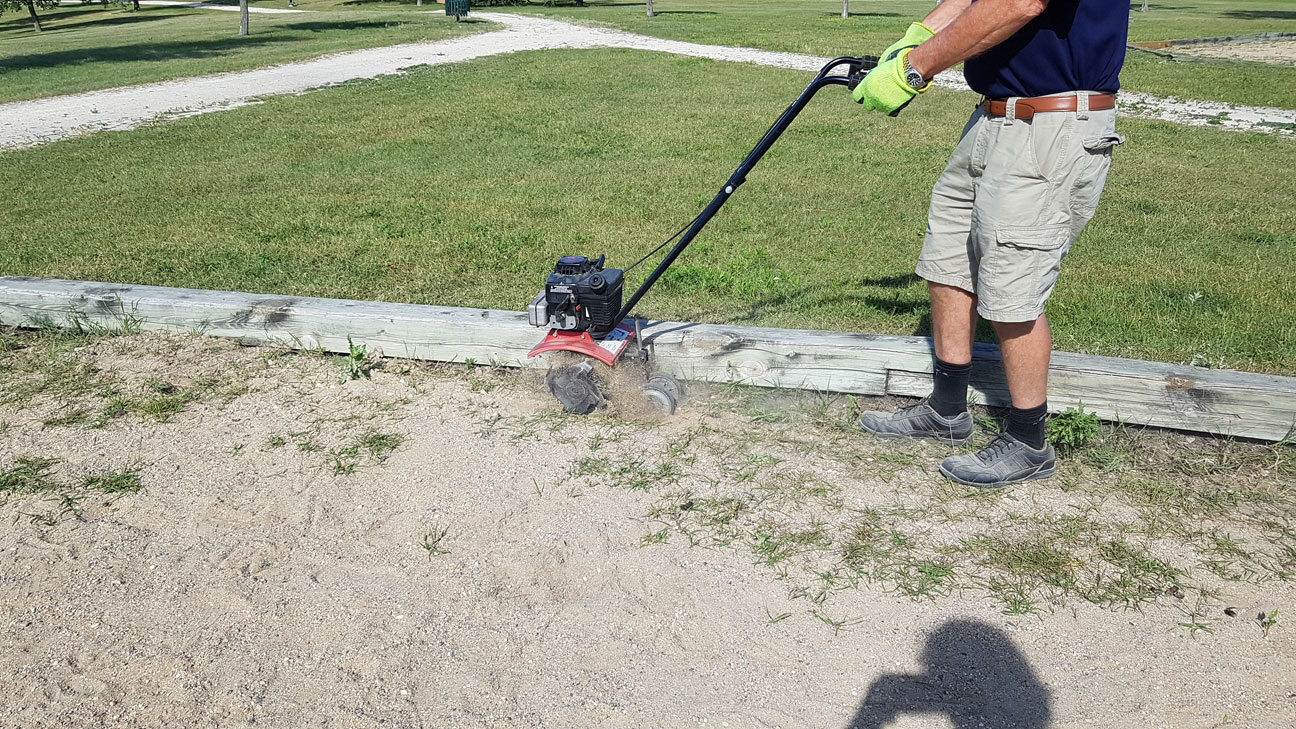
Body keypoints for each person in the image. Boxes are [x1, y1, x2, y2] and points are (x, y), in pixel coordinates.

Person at [853, 0, 1127, 488]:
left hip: (1052, 124)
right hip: (993, 117)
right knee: (949, 261)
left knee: (1011, 283)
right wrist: (913, 38)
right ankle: (947, 410)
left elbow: (1019, 2)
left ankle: (1028, 442)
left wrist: (913, 71)